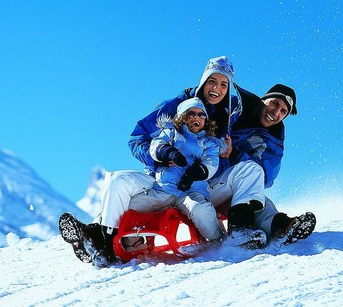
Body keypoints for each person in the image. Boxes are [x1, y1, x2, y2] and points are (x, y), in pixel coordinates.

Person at [59, 56, 238, 267]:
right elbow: (139, 139)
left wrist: (213, 164)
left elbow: (214, 158)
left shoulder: (228, 115)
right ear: (202, 82)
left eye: (223, 84)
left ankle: (94, 236)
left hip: (195, 189)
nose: (216, 87)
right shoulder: (171, 112)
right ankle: (101, 239)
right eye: (211, 81)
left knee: (201, 209)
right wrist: (161, 158)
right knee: (117, 181)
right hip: (160, 181)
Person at [209, 84, 316, 247]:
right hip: (200, 183)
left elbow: (267, 175)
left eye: (283, 111)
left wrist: (236, 154)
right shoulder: (233, 108)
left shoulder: (273, 138)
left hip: (224, 189)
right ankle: (239, 230)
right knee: (251, 171)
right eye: (275, 103)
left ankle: (280, 226)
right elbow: (198, 104)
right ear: (264, 99)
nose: (276, 113)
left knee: (259, 198)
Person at [128, 97, 225, 244]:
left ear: (206, 120)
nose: (196, 117)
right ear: (182, 117)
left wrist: (194, 174)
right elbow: (156, 145)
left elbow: (211, 163)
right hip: (164, 189)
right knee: (131, 205)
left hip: (191, 191)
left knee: (201, 210)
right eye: (191, 113)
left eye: (201, 114)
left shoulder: (209, 143)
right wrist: (169, 152)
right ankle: (128, 241)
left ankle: (219, 240)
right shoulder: (170, 132)